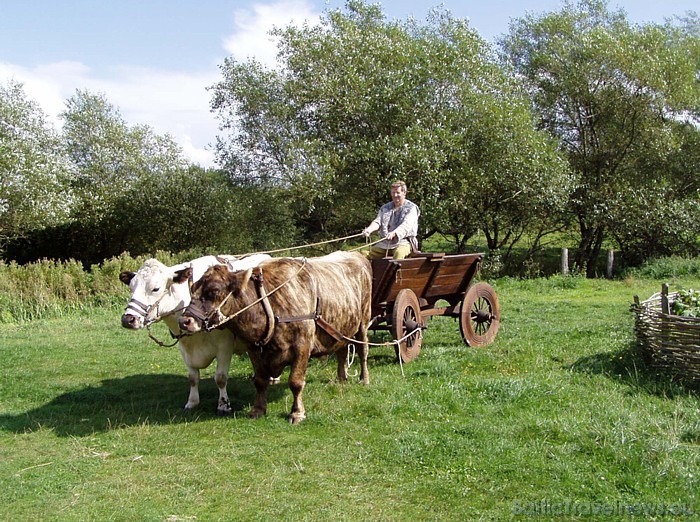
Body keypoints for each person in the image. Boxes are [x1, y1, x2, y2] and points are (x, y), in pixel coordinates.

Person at [362, 180, 420, 259]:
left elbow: (406, 225)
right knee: (364, 255)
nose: (395, 195)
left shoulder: (411, 208)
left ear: (404, 193)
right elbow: (378, 222)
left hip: (404, 242)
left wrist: (394, 233)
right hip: (385, 244)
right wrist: (369, 230)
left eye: (398, 193)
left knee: (399, 253)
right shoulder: (385, 208)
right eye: (393, 193)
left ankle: (396, 271)